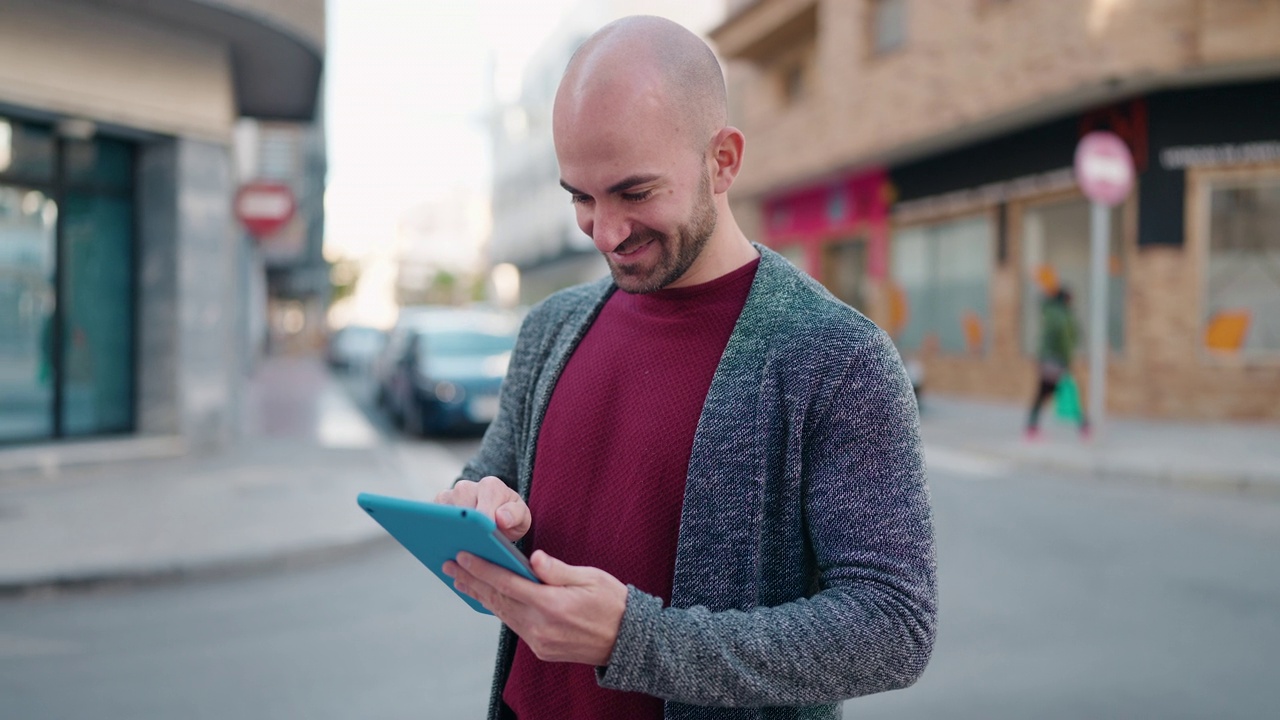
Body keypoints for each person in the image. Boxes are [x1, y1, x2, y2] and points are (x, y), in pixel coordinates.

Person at [436, 16, 935, 720]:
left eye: (635, 193)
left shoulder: (837, 359)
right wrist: (477, 509)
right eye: (580, 196)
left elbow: (894, 626)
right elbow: (492, 474)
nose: (605, 232)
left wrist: (637, 639)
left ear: (723, 161)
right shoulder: (550, 327)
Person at [1026, 286, 1089, 438]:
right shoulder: (1063, 316)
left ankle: (1032, 427)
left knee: (1043, 394)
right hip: (1058, 361)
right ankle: (1084, 427)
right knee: (1069, 392)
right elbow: (1066, 340)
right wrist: (1067, 360)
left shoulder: (1049, 312)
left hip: (1046, 360)